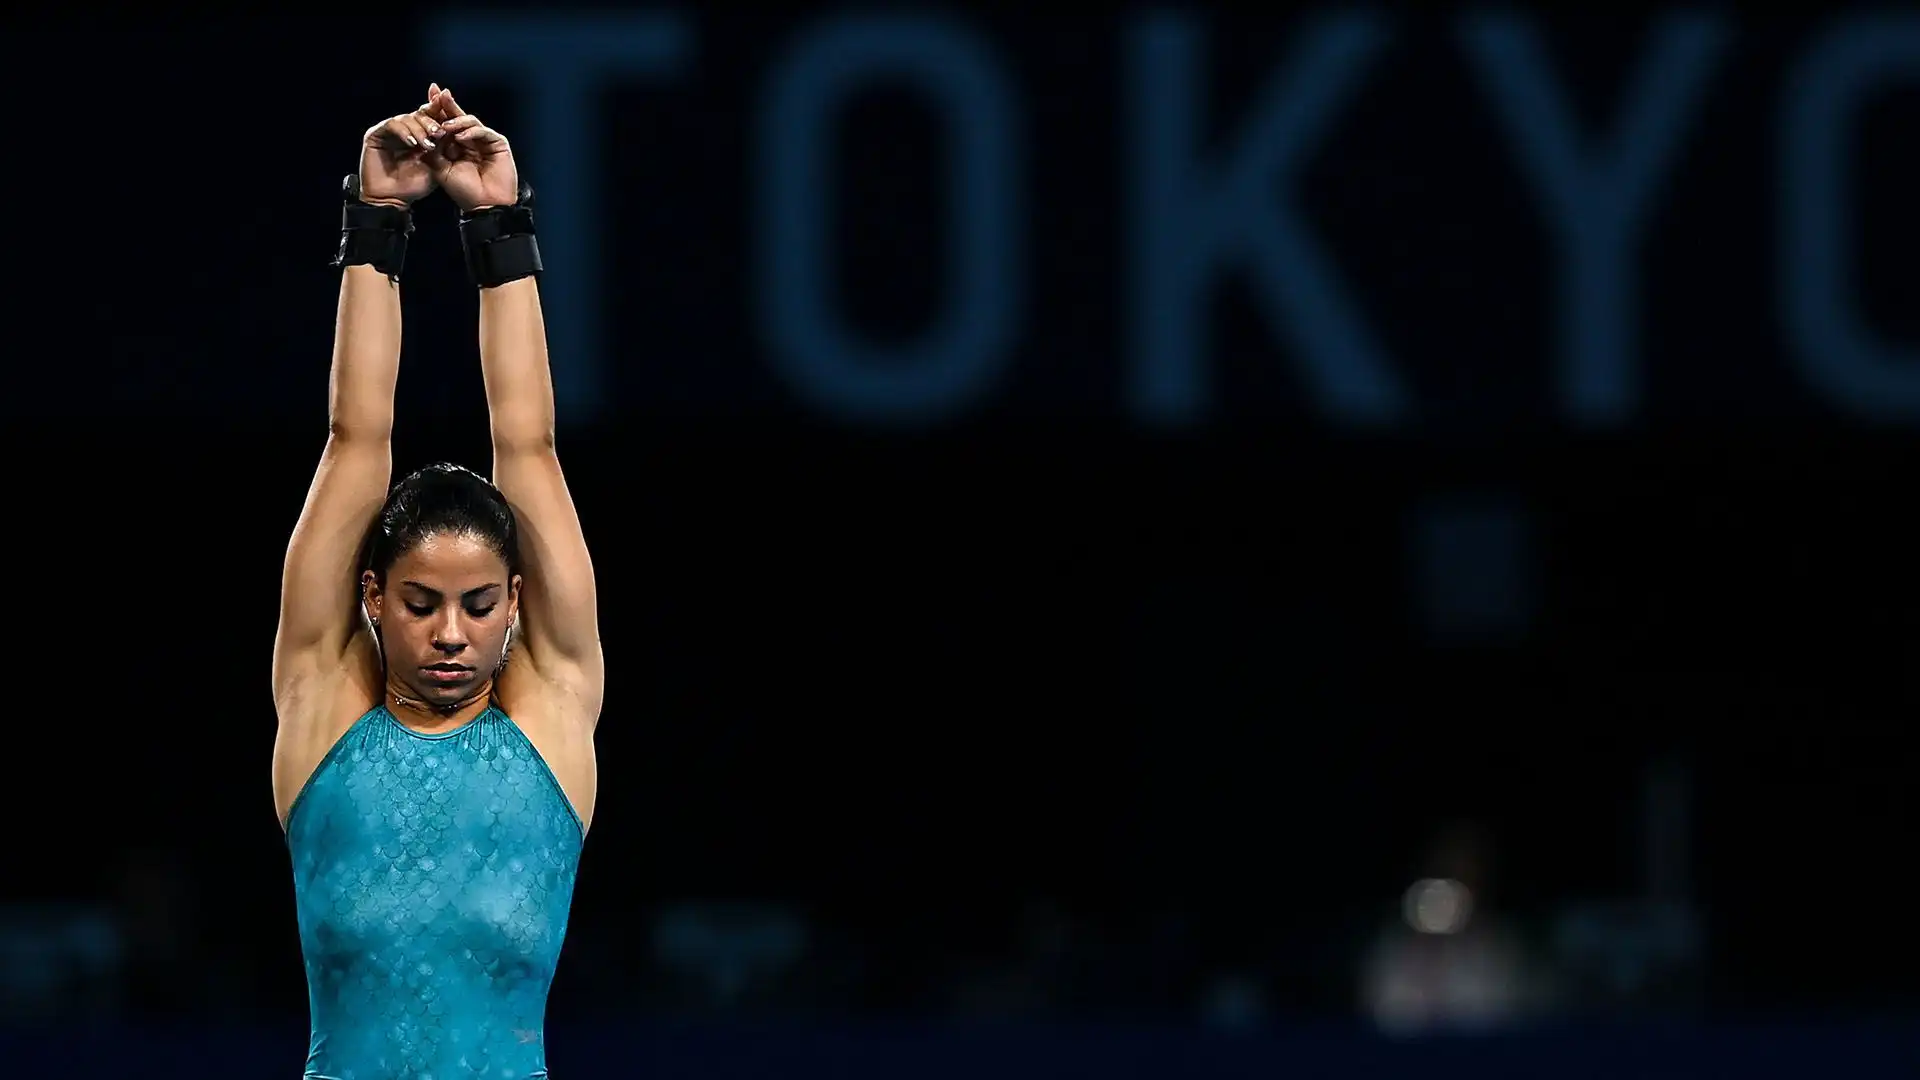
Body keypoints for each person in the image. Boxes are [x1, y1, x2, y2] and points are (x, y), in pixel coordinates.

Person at [271, 84, 603, 1079]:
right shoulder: (322, 706)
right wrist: (376, 223)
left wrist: (500, 227)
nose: (451, 633)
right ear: (372, 599)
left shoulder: (554, 715)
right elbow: (356, 437)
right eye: (420, 604)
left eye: (479, 603)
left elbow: (530, 448)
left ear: (517, 607)